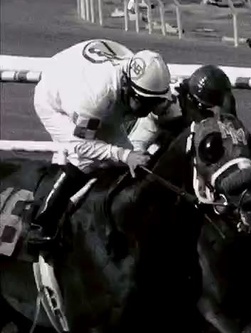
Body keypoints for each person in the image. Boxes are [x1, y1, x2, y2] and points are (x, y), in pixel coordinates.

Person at [27, 39, 175, 250]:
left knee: (125, 162)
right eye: (145, 102)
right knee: (84, 161)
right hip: (54, 101)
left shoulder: (136, 79)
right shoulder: (96, 97)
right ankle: (42, 223)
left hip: (88, 85)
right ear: (128, 87)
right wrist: (124, 155)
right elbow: (81, 145)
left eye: (155, 102)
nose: (149, 108)